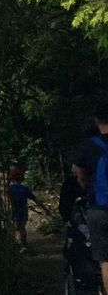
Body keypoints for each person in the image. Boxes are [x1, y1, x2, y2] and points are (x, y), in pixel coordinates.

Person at [72, 103, 108, 292]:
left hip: (100, 209)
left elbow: (81, 178)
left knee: (105, 259)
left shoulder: (87, 146)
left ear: (96, 121)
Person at [7, 165, 49, 250]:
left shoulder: (10, 189)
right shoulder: (24, 189)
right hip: (23, 210)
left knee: (16, 228)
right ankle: (24, 245)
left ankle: (18, 245)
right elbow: (36, 199)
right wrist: (45, 209)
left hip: (14, 210)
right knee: (22, 227)